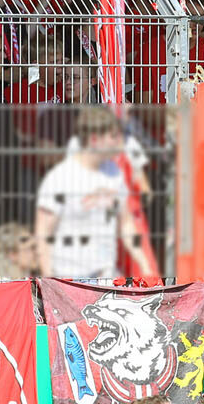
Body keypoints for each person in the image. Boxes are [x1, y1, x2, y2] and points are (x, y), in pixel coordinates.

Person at [34, 106, 155, 280]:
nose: (119, 142)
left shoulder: (114, 173)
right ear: (94, 139)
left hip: (105, 276)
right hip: (69, 278)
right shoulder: (60, 178)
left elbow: (126, 223)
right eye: (113, 136)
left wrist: (145, 265)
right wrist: (49, 278)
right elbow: (44, 232)